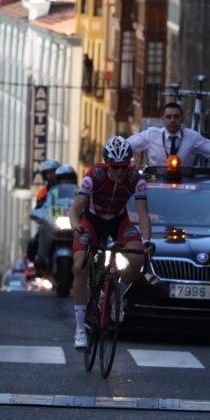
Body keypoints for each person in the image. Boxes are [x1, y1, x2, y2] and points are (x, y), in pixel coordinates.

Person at [68, 136, 152, 350]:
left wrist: (146, 240)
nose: (120, 172)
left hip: (118, 220)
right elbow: (75, 210)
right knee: (80, 266)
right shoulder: (94, 175)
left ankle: (115, 296)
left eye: (124, 167)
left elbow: (143, 214)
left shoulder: (137, 180)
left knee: (137, 258)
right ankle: (79, 329)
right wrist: (76, 225)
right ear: (107, 163)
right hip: (92, 220)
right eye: (115, 167)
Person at [127, 101, 210, 173]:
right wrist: (131, 162)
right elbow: (124, 145)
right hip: (156, 186)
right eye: (168, 117)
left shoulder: (192, 137)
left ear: (183, 119)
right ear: (162, 119)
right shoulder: (152, 134)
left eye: (176, 117)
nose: (172, 120)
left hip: (184, 186)